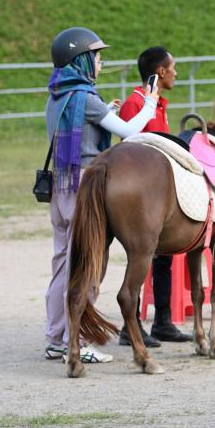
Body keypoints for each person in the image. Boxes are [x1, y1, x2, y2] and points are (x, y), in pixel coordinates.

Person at [44, 27, 160, 363]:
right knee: (88, 265)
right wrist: (149, 103)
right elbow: (129, 130)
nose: (100, 61)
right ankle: (78, 339)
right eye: (96, 56)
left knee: (62, 263)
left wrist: (103, 109)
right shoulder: (86, 97)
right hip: (85, 185)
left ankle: (56, 338)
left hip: (60, 185)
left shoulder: (58, 93)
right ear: (80, 59)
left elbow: (77, 126)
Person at [116, 46, 194, 347]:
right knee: (140, 256)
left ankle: (162, 322)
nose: (176, 72)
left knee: (164, 258)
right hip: (142, 196)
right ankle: (129, 325)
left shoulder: (158, 103)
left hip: (161, 192)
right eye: (172, 67)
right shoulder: (136, 104)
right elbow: (129, 152)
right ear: (160, 72)